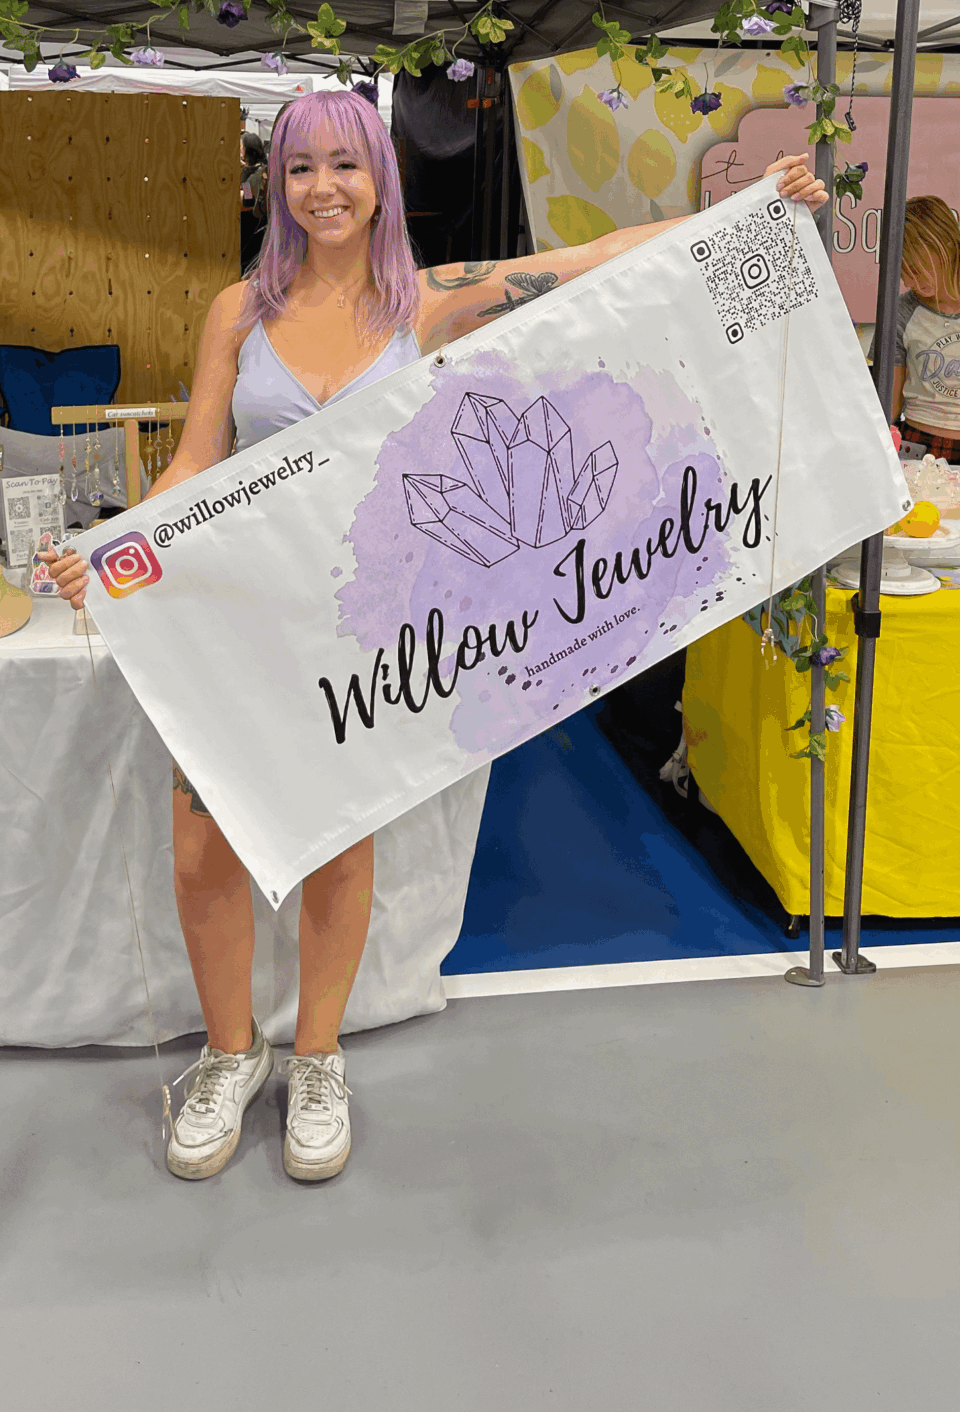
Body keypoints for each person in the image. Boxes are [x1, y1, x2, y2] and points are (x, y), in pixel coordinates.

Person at [48, 90, 826, 1185]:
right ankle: (231, 1050)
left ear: (382, 180)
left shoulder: (423, 301)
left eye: (345, 164)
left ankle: (317, 1056)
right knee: (201, 847)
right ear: (276, 184)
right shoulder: (238, 311)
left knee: (337, 839)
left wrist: (746, 215)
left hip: (362, 622)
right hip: (242, 620)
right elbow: (194, 461)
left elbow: (589, 261)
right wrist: (114, 549)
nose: (323, 187)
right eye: (300, 166)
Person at [891, 195, 960, 464]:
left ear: (946, 248)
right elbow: (890, 404)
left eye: (917, 270)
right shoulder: (902, 311)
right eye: (903, 272)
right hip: (919, 443)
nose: (910, 281)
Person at [239, 128, 268, 267]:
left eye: (242, 148)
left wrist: (244, 175)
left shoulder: (248, 174)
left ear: (247, 150)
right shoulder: (265, 168)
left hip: (250, 225)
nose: (240, 151)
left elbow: (247, 199)